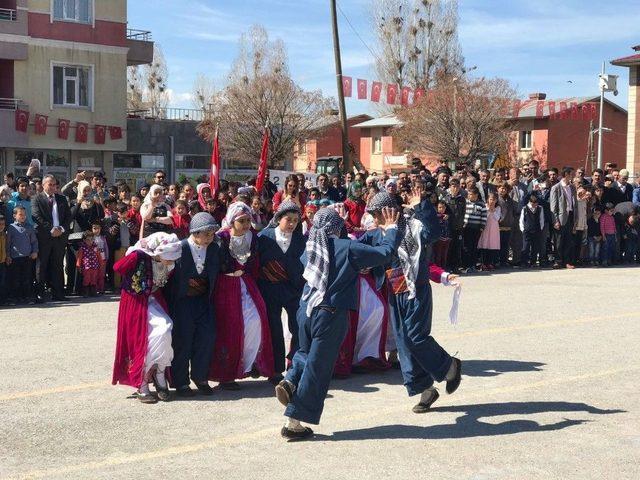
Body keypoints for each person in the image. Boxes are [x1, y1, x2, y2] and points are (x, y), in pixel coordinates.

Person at [275, 205, 400, 440]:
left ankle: (291, 379)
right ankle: (294, 420)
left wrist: (339, 225)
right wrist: (392, 229)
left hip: (306, 310)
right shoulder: (348, 247)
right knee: (318, 369)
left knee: (304, 352)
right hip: (330, 313)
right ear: (337, 227)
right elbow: (385, 253)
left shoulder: (309, 248)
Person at [363, 190, 462, 415]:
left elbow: (433, 233)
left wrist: (422, 206)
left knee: (416, 337)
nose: (373, 219)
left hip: (416, 292)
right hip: (394, 294)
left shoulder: (414, 226)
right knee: (404, 343)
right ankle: (425, 389)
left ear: (388, 211)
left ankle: (450, 366)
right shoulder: (376, 234)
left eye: (376, 214)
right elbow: (357, 248)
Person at [210, 202, 275, 389]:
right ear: (231, 221)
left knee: (256, 320)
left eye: (248, 220)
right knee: (230, 328)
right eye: (242, 221)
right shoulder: (220, 238)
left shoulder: (252, 238)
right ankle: (226, 375)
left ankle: (251, 363)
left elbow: (254, 264)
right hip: (225, 286)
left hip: (246, 283)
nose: (246, 224)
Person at [112, 232, 182, 403]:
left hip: (154, 300)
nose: (172, 262)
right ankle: (142, 383)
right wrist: (134, 253)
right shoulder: (140, 256)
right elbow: (118, 268)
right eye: (169, 257)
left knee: (165, 332)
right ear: (158, 252)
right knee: (145, 339)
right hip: (136, 302)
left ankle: (159, 373)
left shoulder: (167, 263)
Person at [163, 213, 221, 397]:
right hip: (183, 302)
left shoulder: (214, 249)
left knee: (207, 336)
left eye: (212, 233)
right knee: (183, 340)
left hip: (204, 300)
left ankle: (200, 377)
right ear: (195, 232)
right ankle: (181, 382)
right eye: (206, 234)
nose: (210, 237)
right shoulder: (179, 248)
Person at [257, 201, 306, 383]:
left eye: (295, 220)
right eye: (288, 219)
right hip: (269, 289)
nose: (292, 224)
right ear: (278, 219)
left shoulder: (301, 240)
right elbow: (256, 263)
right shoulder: (265, 237)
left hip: (293, 289)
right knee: (274, 328)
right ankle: (276, 370)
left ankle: (295, 365)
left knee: (298, 326)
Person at [31, 175, 71, 301]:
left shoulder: (62, 199)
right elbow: (36, 216)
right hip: (44, 237)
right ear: (43, 185)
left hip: (59, 238)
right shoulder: (36, 199)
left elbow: (68, 217)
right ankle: (40, 293)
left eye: (54, 185)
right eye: (50, 184)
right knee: (41, 265)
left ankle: (58, 293)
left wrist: (62, 229)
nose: (53, 187)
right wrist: (51, 229)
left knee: (57, 265)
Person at [6, 207, 38, 304]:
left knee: (27, 279)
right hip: (15, 258)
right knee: (15, 279)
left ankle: (27, 297)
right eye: (20, 214)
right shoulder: (11, 227)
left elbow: (34, 242)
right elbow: (8, 243)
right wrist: (7, 255)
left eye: (24, 214)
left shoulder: (29, 227)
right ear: (14, 216)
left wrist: (35, 251)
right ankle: (15, 298)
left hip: (27, 257)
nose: (23, 216)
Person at [550, 167, 577, 269]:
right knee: (559, 241)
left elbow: (574, 203)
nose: (572, 176)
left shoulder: (572, 187)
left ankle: (567, 261)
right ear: (566, 174)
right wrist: (555, 220)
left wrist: (575, 218)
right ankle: (558, 261)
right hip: (560, 218)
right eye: (571, 174)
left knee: (568, 240)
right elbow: (553, 206)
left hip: (570, 216)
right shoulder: (556, 188)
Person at [462, 187, 487, 272]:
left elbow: (484, 217)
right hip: (466, 227)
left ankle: (473, 264)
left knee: (474, 247)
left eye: (471, 194)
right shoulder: (465, 203)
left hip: (476, 229)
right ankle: (466, 265)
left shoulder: (481, 204)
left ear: (476, 195)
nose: (469, 196)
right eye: (468, 194)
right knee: (466, 246)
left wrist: (481, 227)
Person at [519, 194, 545, 268]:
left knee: (535, 247)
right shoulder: (524, 208)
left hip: (537, 230)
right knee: (525, 247)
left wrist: (541, 228)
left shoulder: (540, 208)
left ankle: (533, 262)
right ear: (530, 202)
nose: (534, 205)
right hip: (527, 231)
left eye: (535, 203)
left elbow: (541, 219)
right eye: (533, 203)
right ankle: (524, 262)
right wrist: (523, 229)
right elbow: (521, 220)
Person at [478, 192, 501, 271]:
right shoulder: (484, 206)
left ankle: (490, 263)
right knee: (484, 244)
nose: (492, 201)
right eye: (491, 199)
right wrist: (488, 209)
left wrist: (493, 210)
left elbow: (497, 218)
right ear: (488, 199)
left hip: (494, 228)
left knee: (492, 245)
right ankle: (483, 263)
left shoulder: (498, 208)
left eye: (494, 200)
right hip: (486, 227)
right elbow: (484, 216)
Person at [75, 230, 101, 297]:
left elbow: (99, 257)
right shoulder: (82, 248)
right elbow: (79, 258)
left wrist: (100, 264)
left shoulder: (95, 248)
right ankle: (85, 292)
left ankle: (93, 291)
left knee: (94, 279)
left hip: (95, 266)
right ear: (84, 240)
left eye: (92, 239)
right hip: (86, 267)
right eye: (88, 240)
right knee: (86, 279)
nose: (90, 241)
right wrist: (78, 266)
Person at [600, 203, 617, 267]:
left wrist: (615, 235)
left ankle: (609, 260)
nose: (612, 212)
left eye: (613, 211)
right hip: (606, 235)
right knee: (605, 248)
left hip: (612, 234)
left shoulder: (612, 217)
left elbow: (614, 226)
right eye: (611, 211)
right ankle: (604, 261)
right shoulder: (603, 216)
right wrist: (603, 235)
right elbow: (602, 226)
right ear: (606, 211)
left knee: (610, 248)